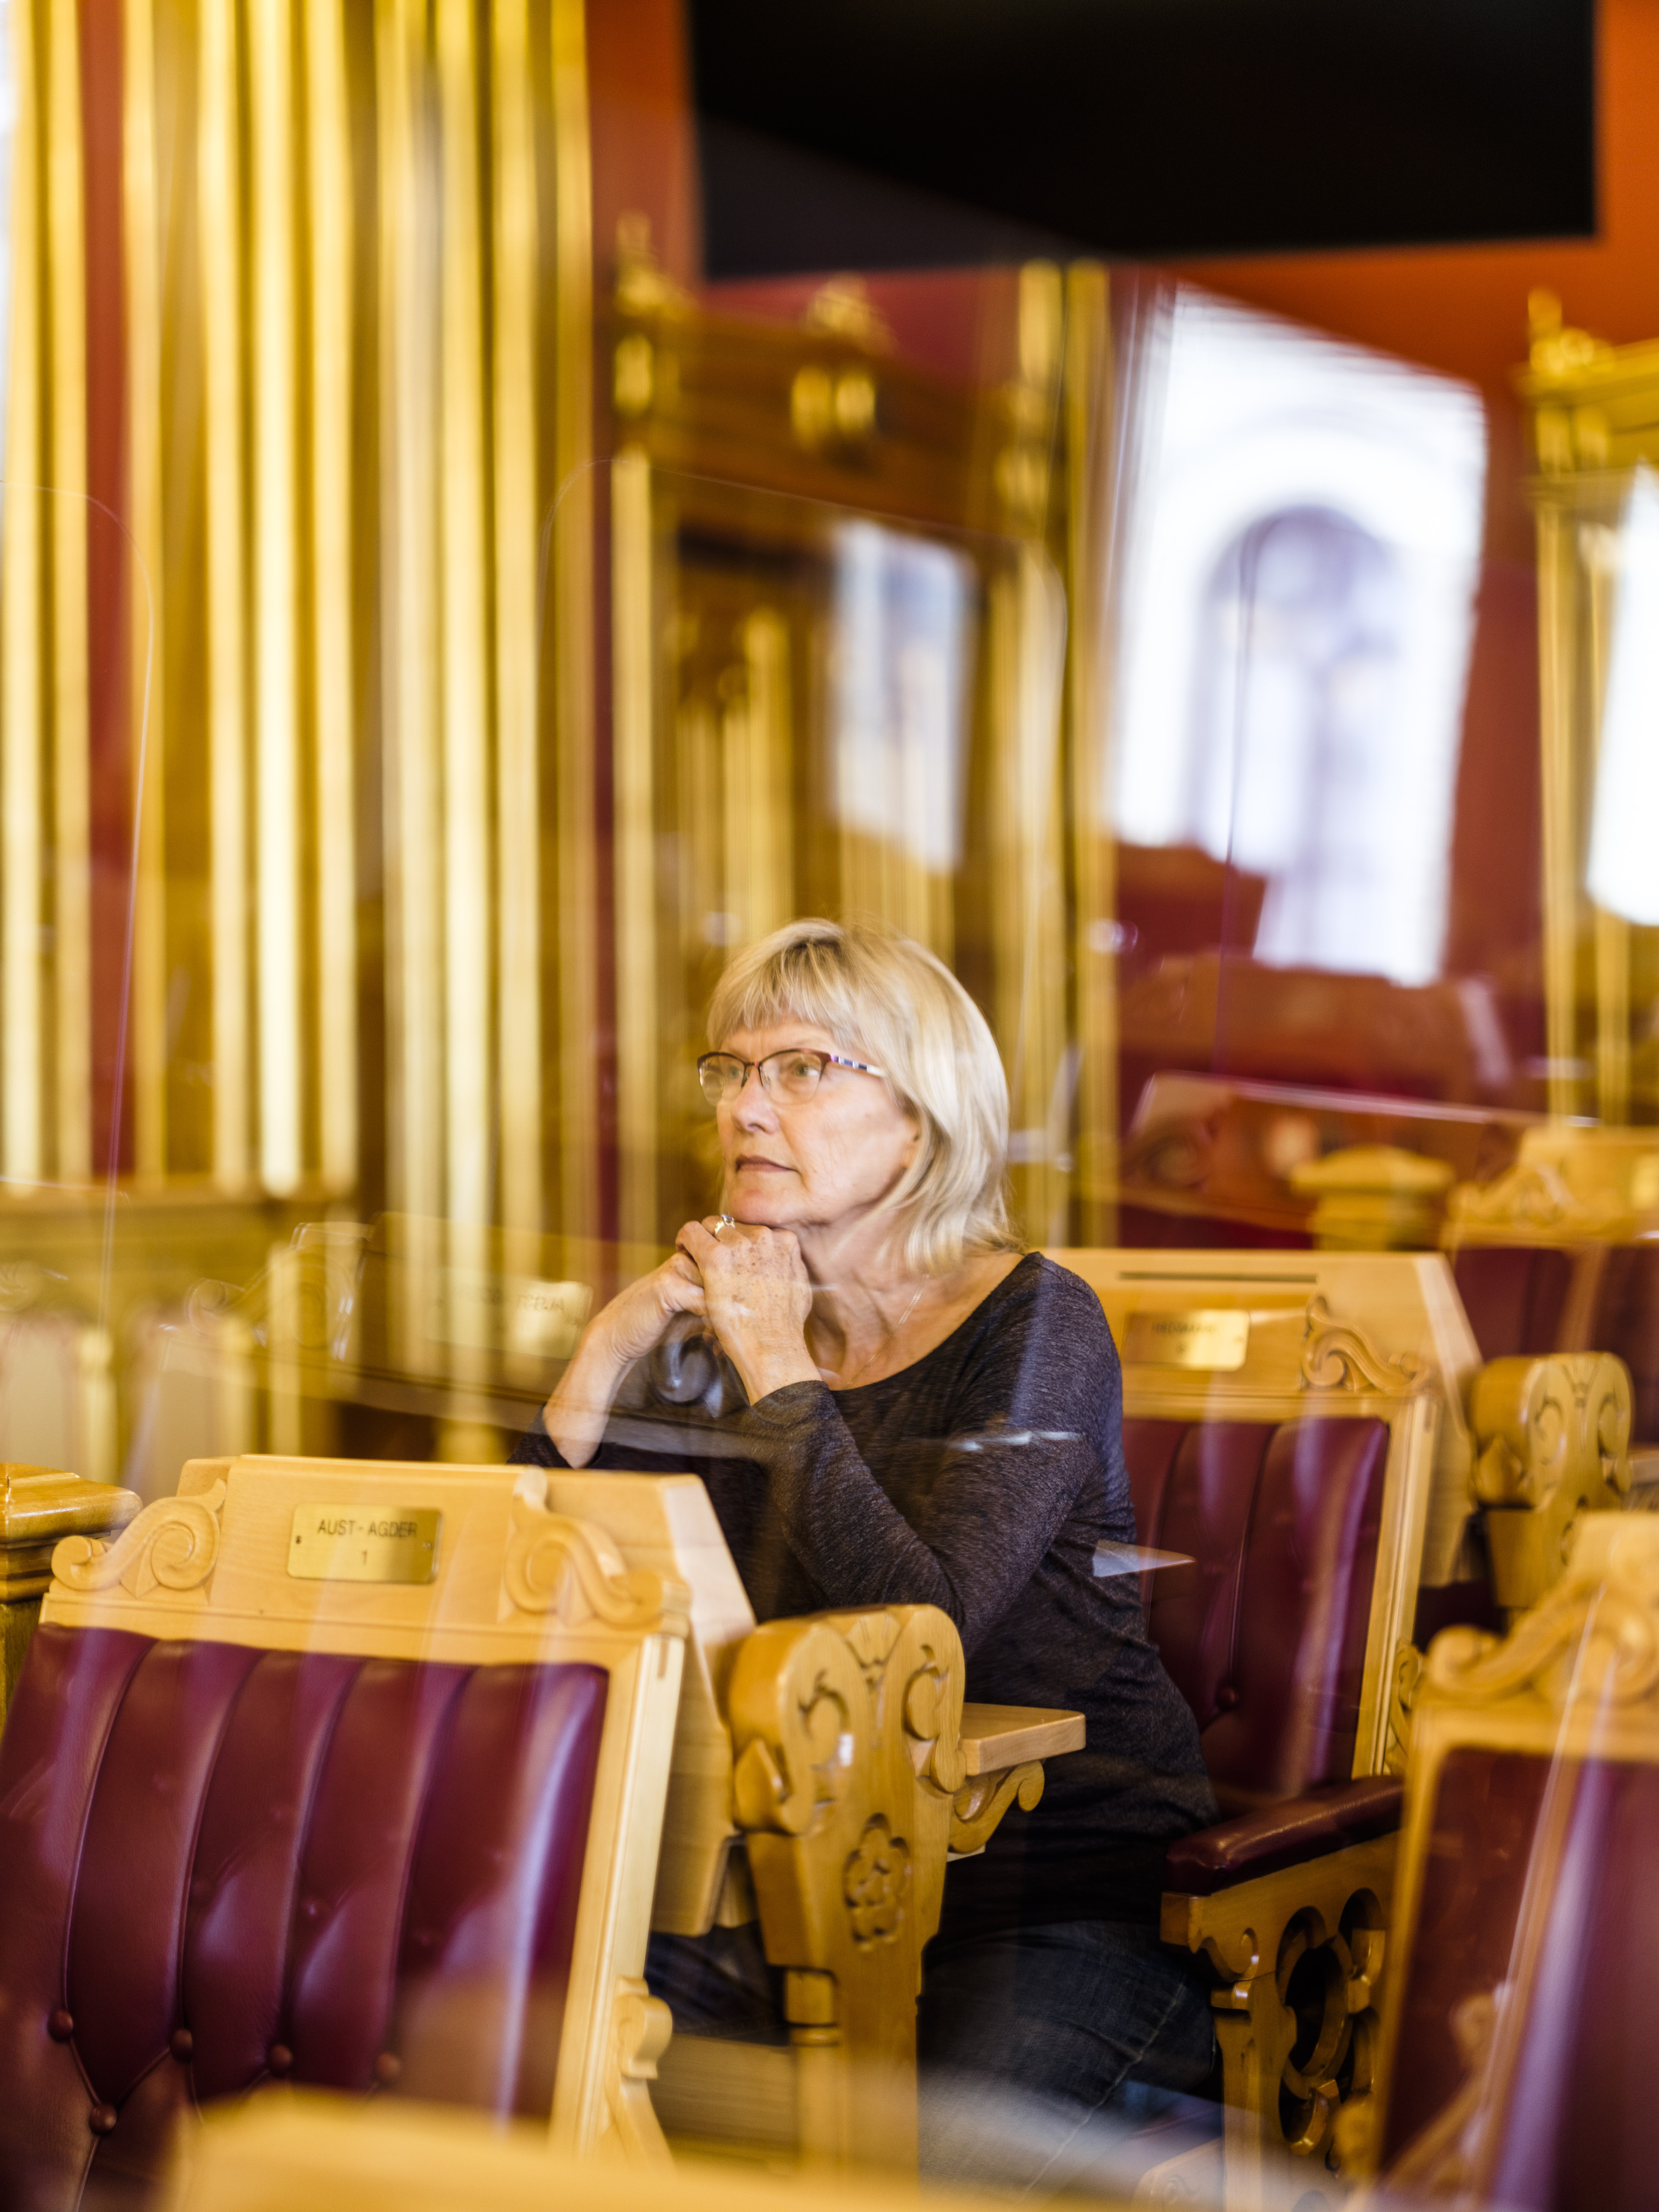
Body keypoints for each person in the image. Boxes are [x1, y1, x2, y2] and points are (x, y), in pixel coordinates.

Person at [513, 917, 1218, 2181]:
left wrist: (781, 1367)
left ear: (924, 1120)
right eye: (730, 1072)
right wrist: (609, 1345)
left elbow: (925, 1629)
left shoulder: (1039, 1318)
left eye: (803, 1066)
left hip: (1052, 1892)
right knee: (531, 2091)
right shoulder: (717, 1331)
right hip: (785, 1872)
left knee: (895, 2183)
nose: (748, 1106)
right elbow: (553, 1581)